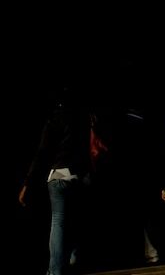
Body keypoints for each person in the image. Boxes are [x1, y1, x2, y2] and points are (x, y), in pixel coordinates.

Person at [18, 87, 97, 275]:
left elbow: (41, 153)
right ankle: (74, 258)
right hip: (79, 176)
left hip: (59, 177)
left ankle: (55, 270)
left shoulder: (54, 119)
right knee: (76, 219)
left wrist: (27, 184)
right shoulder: (84, 119)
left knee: (59, 221)